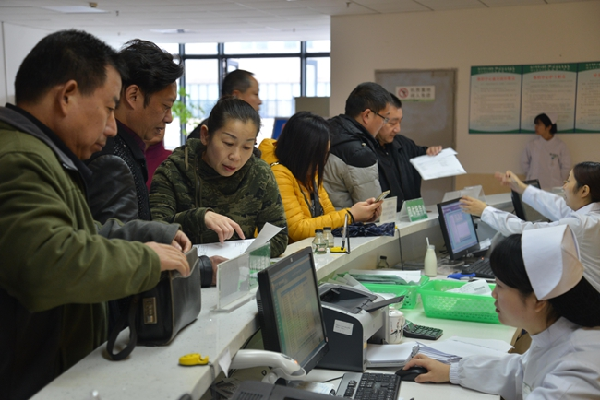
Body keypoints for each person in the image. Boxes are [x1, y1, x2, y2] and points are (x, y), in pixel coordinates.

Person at [0, 30, 192, 400]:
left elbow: (82, 233)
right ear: (67, 96)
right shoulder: (19, 159)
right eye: (107, 108)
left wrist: (149, 235)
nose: (111, 126)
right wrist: (146, 259)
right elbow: (48, 263)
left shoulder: (43, 154)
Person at [402, 225, 600, 399]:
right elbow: (520, 372)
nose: (493, 294)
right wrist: (452, 372)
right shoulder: (556, 333)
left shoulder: (576, 373)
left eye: (500, 286)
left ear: (539, 299)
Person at [150, 97, 288, 261]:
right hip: (186, 270)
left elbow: (278, 238)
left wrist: (236, 260)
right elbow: (155, 232)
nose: (236, 156)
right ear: (205, 135)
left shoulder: (259, 173)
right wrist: (199, 217)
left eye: (247, 147)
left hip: (239, 270)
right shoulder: (172, 171)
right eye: (228, 143)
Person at [460, 162, 600, 292]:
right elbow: (556, 205)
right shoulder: (591, 216)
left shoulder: (582, 225)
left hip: (590, 298)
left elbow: (526, 231)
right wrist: (521, 188)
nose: (564, 186)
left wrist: (484, 211)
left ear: (584, 191)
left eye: (568, 181)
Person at [86, 39, 184, 223]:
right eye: (165, 106)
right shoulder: (111, 157)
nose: (169, 118)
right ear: (133, 96)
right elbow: (118, 236)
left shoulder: (124, 147)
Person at [259, 112, 382, 242]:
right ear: (301, 152)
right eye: (318, 155)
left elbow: (329, 215)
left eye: (326, 154)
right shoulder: (278, 174)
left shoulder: (309, 172)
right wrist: (350, 215)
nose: (323, 161)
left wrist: (361, 216)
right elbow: (297, 229)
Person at [323, 82, 392, 208]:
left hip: (317, 218)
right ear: (367, 115)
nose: (384, 123)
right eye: (384, 118)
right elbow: (371, 210)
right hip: (344, 219)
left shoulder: (326, 130)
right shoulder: (359, 153)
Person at [375, 93, 441, 211]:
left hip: (411, 215)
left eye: (400, 122)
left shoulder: (404, 144)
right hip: (383, 218)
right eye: (392, 123)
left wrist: (430, 152)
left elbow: (420, 154)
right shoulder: (363, 151)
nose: (398, 129)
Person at [188, 69, 262, 140]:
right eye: (256, 94)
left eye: (247, 146)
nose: (260, 101)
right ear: (236, 95)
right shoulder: (213, 127)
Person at [522, 112, 571, 190]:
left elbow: (566, 167)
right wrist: (532, 175)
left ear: (548, 127)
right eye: (535, 124)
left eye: (539, 124)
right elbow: (525, 164)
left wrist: (559, 181)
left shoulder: (560, 146)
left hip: (554, 186)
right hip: (534, 185)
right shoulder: (532, 145)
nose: (535, 127)